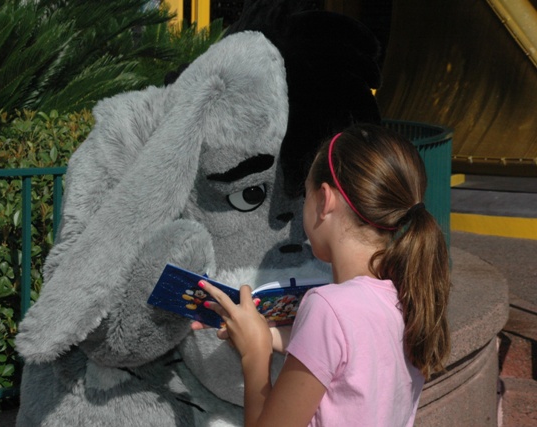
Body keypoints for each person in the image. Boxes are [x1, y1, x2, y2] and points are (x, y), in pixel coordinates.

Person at [193, 124, 451, 427]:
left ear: (324, 200)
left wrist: (255, 353)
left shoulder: (327, 306)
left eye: (306, 193)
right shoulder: (409, 292)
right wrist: (263, 333)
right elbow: (352, 353)